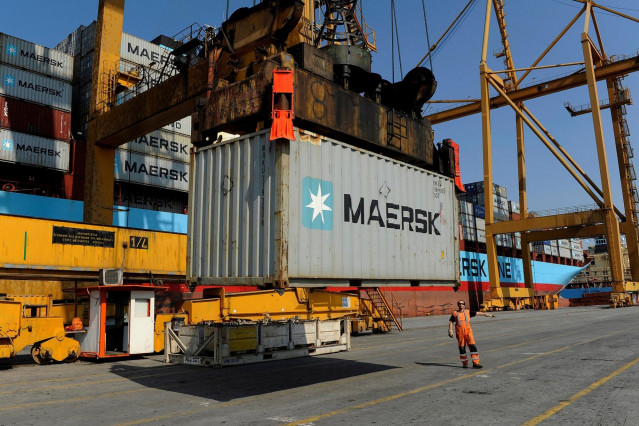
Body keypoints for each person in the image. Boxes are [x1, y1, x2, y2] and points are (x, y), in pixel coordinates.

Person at [448, 300, 494, 368]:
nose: (461, 305)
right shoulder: (455, 313)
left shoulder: (468, 312)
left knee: (472, 346)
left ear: (464, 305)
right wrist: (450, 330)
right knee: (462, 348)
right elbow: (451, 321)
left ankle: (476, 363)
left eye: (462, 304)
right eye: (459, 304)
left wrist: (486, 314)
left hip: (468, 332)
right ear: (458, 305)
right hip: (460, 333)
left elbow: (477, 313)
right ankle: (465, 363)